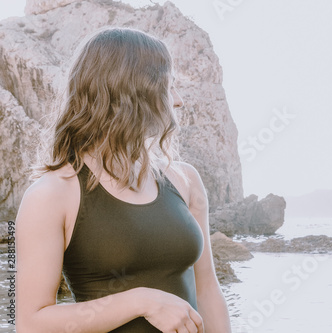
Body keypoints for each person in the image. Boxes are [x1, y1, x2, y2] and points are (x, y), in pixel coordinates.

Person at [15, 27, 232, 333]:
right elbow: (32, 323)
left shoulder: (186, 180)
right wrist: (141, 301)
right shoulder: (52, 194)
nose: (178, 101)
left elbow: (207, 289)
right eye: (168, 86)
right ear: (131, 92)